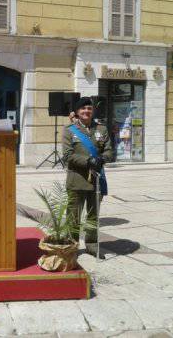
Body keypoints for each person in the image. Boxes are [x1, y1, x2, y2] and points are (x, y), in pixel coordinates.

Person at [62, 97, 113, 259]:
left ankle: (92, 245)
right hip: (77, 179)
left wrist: (102, 159)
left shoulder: (101, 129)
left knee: (93, 215)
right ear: (77, 111)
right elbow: (68, 155)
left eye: (89, 108)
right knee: (73, 217)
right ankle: (72, 246)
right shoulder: (70, 130)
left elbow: (109, 150)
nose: (86, 111)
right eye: (83, 108)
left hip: (96, 180)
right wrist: (88, 161)